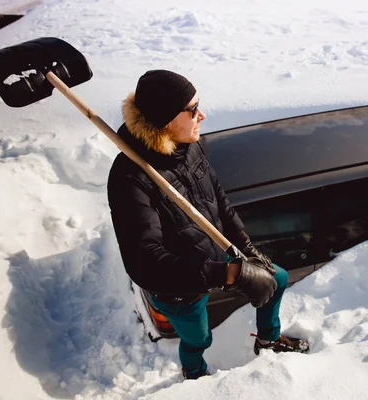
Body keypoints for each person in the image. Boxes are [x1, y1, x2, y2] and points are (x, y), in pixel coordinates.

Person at [107, 70, 309, 380]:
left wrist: (246, 250)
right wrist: (229, 274)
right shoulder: (130, 179)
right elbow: (144, 262)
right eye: (192, 110)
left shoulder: (190, 146)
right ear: (164, 119)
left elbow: (219, 201)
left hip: (217, 254)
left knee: (276, 278)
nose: (202, 115)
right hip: (179, 288)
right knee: (198, 339)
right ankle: (195, 376)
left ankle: (269, 339)